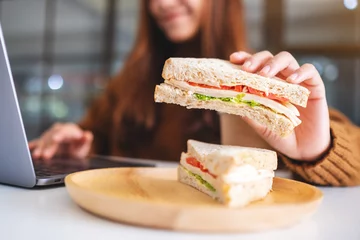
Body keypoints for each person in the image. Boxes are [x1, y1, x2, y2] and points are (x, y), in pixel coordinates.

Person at [28, 0, 360, 187]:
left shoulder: (257, 74)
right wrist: (81, 140)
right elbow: (100, 133)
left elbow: (354, 158)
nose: (162, 4)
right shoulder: (130, 80)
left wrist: (317, 148)